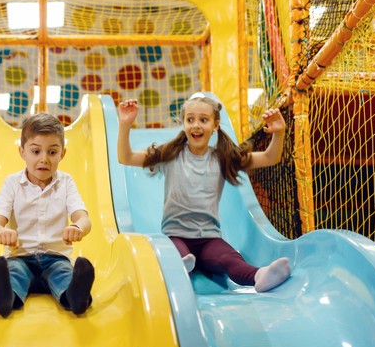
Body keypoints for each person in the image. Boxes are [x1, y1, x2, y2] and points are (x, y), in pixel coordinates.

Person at [117, 93, 291, 292]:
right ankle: (179, 270)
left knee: (230, 258)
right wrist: (125, 125)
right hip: (176, 235)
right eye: (190, 120)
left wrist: (279, 133)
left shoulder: (223, 158)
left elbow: (270, 157)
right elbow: (126, 157)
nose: (196, 125)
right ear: (183, 124)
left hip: (209, 239)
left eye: (203, 120)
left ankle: (259, 275)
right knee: (177, 255)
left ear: (215, 125)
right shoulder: (169, 155)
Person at [0, 113, 95, 318]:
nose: (44, 159)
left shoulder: (66, 182)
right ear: (22, 152)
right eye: (36, 151)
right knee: (14, 273)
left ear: (62, 153)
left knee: (64, 275)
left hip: (56, 258)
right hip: (21, 256)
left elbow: (84, 219)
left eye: (52, 152)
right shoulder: (12, 183)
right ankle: (5, 298)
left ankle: (76, 298)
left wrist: (78, 228)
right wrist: (2, 233)